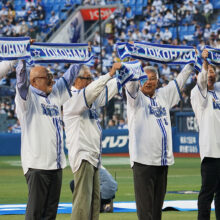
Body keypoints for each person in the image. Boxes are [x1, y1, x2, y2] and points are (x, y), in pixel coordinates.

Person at [125, 62, 195, 220]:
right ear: (140, 81)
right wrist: (130, 60)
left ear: (158, 81)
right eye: (145, 79)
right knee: (145, 212)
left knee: (157, 211)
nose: (149, 82)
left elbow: (180, 80)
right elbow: (130, 85)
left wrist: (190, 64)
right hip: (143, 162)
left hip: (162, 162)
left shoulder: (163, 95)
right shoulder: (135, 99)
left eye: (153, 79)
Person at [15, 60, 81, 219]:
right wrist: (22, 59)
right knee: (35, 214)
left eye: (52, 76)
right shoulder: (27, 98)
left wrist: (80, 56)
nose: (52, 79)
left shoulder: (55, 95)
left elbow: (69, 76)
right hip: (37, 166)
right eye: (47, 77)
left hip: (56, 165)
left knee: (50, 214)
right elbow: (21, 82)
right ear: (34, 81)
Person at [63, 62, 121, 220]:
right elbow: (93, 90)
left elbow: (106, 92)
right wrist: (109, 74)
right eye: (86, 78)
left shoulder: (90, 98)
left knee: (94, 204)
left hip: (94, 156)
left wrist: (121, 74)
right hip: (83, 155)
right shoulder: (71, 97)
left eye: (91, 78)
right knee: (82, 203)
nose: (89, 81)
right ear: (75, 79)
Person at [191, 50, 220, 220]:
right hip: (210, 152)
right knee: (206, 194)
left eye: (214, 72)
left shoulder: (218, 89)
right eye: (209, 72)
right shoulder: (198, 94)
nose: (211, 75)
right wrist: (204, 62)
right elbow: (201, 81)